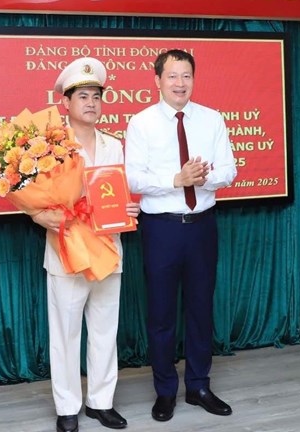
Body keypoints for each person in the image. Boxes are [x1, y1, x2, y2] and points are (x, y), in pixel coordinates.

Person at [124, 49, 237, 422]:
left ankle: (199, 386)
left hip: (202, 226)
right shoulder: (141, 123)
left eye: (186, 75)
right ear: (157, 80)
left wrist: (204, 177)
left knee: (201, 310)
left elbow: (229, 170)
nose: (180, 83)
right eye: (172, 76)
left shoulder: (212, 119)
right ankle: (165, 391)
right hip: (161, 229)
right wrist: (176, 179)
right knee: (161, 314)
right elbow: (134, 178)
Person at [31, 57, 140, 432]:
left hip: (107, 250)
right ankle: (66, 407)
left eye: (96, 96)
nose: (91, 103)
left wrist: (128, 208)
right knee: (65, 333)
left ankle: (101, 402)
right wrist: (37, 215)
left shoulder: (114, 145)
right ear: (65, 102)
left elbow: (119, 194)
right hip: (67, 251)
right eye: (83, 97)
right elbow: (29, 192)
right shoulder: (50, 147)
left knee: (105, 330)